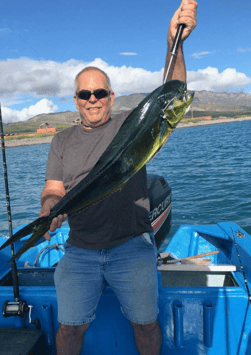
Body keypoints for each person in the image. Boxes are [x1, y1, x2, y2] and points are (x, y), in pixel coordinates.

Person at [39, 1, 197, 354]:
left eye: (100, 93)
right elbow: (52, 190)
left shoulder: (131, 125)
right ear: (76, 100)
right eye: (85, 94)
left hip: (132, 245)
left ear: (111, 97)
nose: (92, 100)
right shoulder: (60, 141)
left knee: (146, 324)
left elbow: (170, 93)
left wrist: (176, 41)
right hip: (80, 249)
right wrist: (51, 209)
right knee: (68, 331)